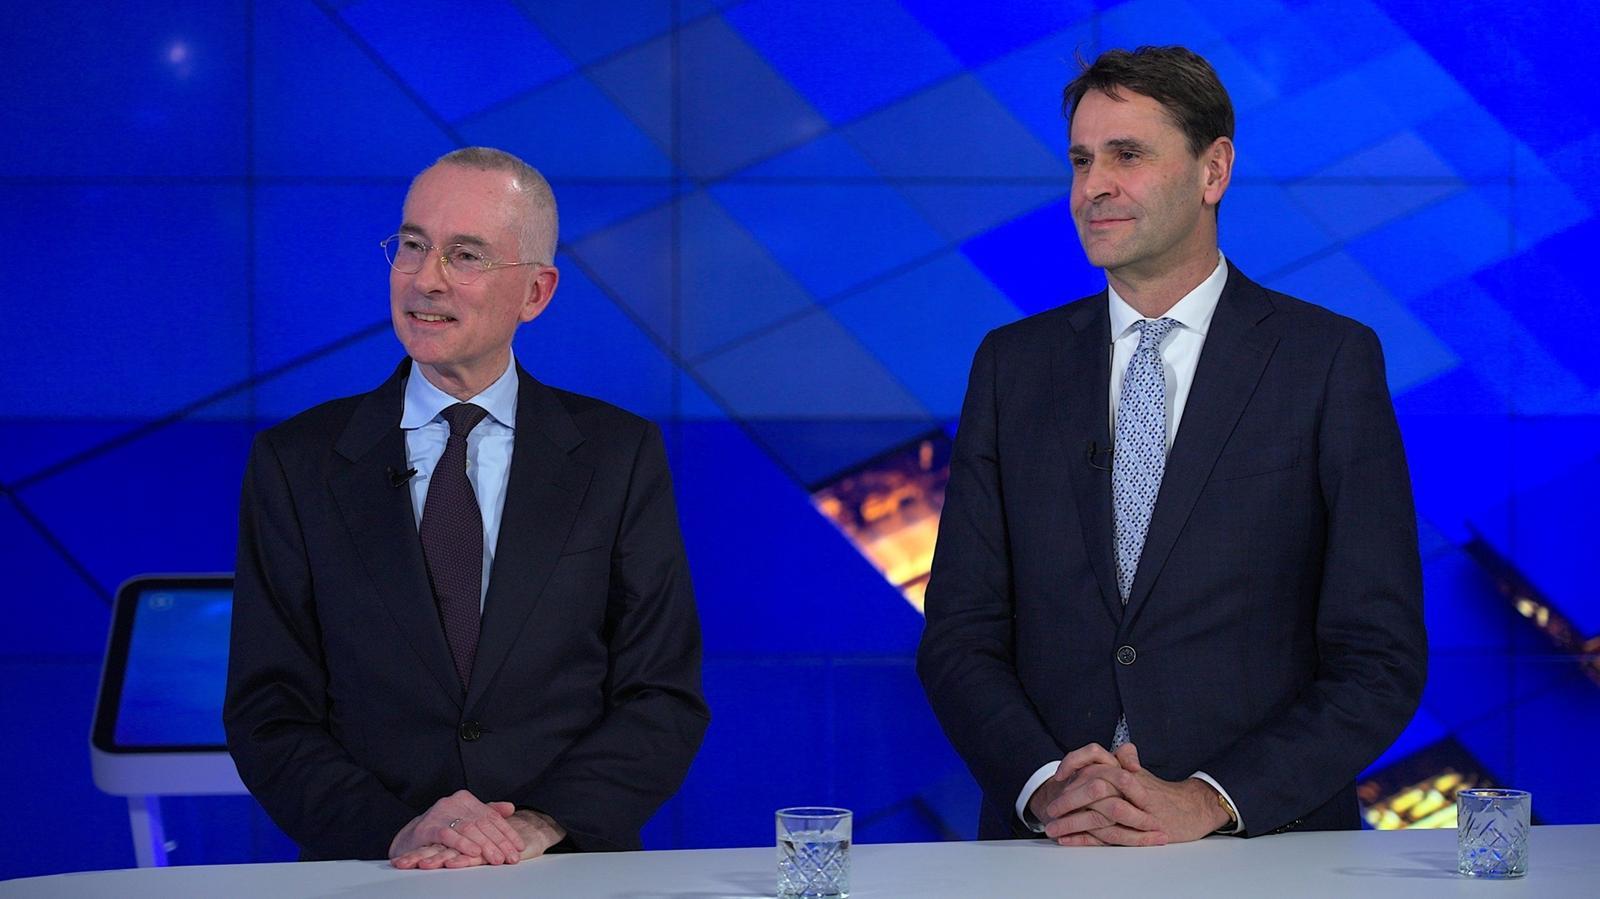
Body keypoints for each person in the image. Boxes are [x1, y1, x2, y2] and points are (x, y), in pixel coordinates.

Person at [916, 46, 1426, 845]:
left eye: (1127, 155)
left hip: (1261, 850)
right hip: (1054, 850)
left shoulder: (1327, 362)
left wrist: (1212, 799)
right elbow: (959, 632)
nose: (1093, 186)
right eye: (1081, 160)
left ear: (1212, 171)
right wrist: (1048, 788)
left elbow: (1380, 656)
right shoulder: (1012, 367)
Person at [225, 147, 709, 868]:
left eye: (465, 255)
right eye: (412, 245)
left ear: (536, 292)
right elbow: (268, 709)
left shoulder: (618, 456)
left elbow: (660, 694)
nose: (426, 278)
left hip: (563, 868)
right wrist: (398, 832)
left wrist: (536, 825)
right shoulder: (296, 463)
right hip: (373, 870)